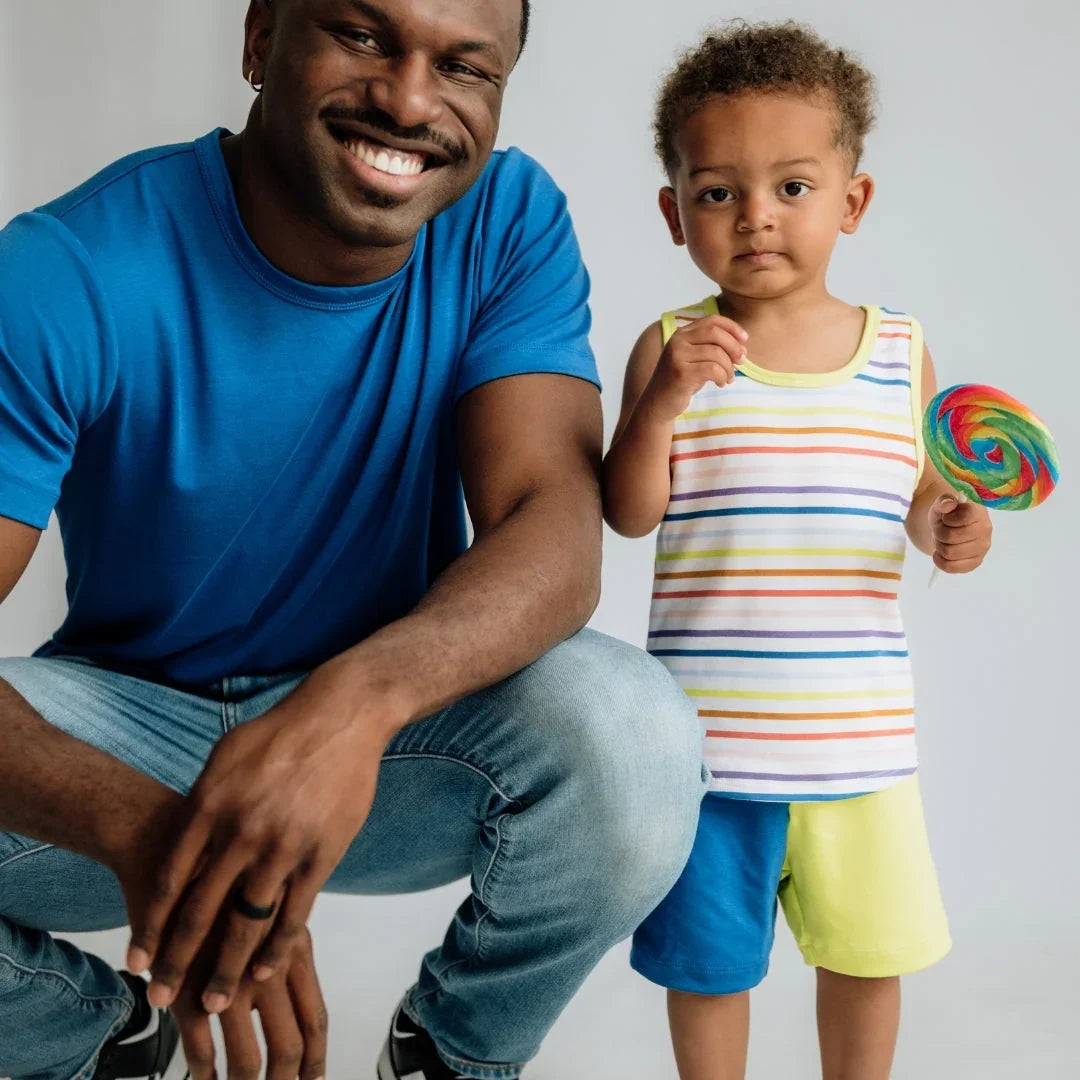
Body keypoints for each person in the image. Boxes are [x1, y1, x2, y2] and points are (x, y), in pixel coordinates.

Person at [0, 2, 707, 1079]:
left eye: (463, 67)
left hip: (394, 746)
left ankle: (450, 1058)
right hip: (130, 737)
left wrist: (353, 705)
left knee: (634, 736)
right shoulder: (69, 267)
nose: (410, 102)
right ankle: (95, 1042)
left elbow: (552, 526)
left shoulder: (504, 218)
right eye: (364, 36)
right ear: (260, 40)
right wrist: (162, 840)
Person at [604, 21, 994, 1080]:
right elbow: (630, 513)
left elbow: (922, 495)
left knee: (867, 959)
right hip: (706, 751)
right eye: (717, 191)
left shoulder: (900, 352)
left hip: (858, 744)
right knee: (708, 967)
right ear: (674, 212)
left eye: (792, 186)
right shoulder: (670, 348)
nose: (756, 216)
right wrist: (663, 400)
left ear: (850, 201)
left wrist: (950, 525)